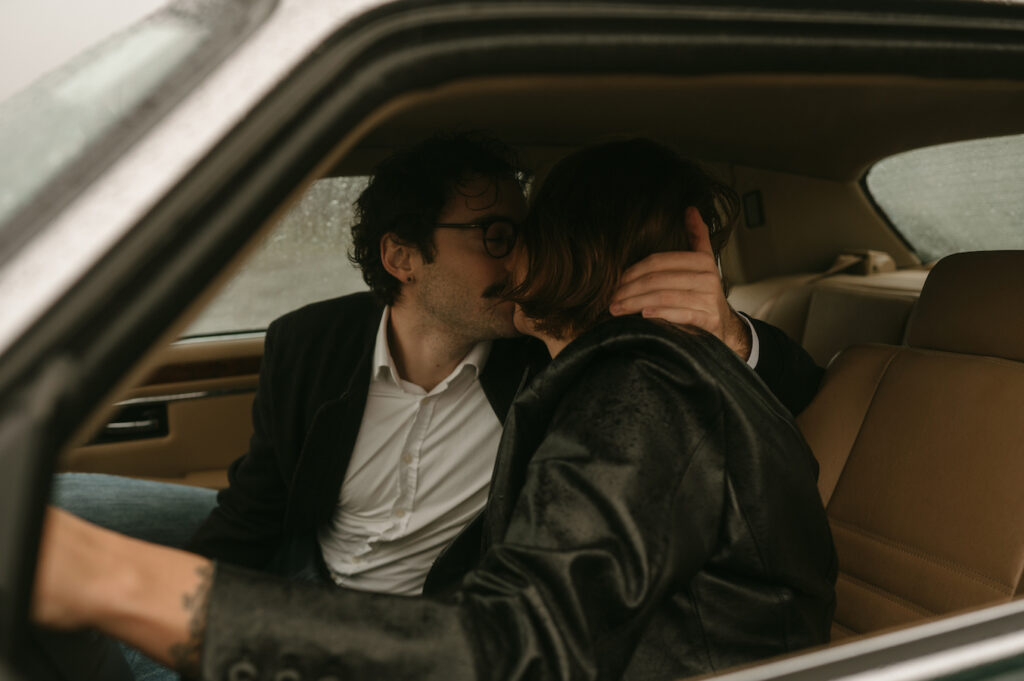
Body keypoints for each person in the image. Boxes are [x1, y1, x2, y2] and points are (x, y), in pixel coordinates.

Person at [35, 137, 835, 681]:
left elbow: (518, 638)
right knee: (56, 504)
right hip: (313, 561)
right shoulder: (310, 343)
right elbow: (259, 505)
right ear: (401, 257)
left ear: (571, 246)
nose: (513, 256)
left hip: (431, 612)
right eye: (493, 233)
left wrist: (727, 327)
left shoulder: (620, 379)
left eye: (524, 231)